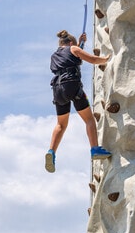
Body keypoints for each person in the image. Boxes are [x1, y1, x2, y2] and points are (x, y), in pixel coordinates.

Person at [46, 30, 111, 173]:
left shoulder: (54, 55)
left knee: (61, 125)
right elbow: (92, 60)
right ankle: (95, 150)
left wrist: (81, 44)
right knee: (89, 119)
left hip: (57, 90)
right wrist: (106, 59)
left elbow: (70, 57)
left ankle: (51, 152)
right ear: (70, 43)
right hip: (71, 85)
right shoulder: (73, 48)